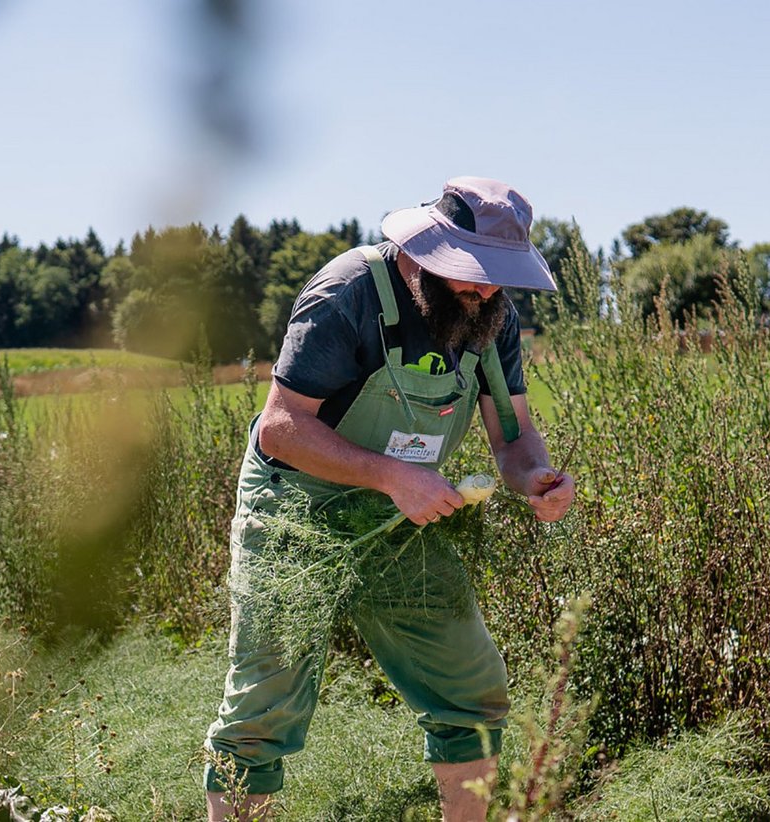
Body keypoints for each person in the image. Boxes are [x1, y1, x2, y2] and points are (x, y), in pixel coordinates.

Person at [203, 177, 577, 821]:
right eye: (471, 273)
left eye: (496, 278)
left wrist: (537, 476)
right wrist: (389, 475)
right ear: (426, 249)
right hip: (296, 511)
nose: (483, 290)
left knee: (472, 693)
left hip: (405, 517)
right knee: (264, 709)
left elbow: (512, 437)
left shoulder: (493, 318)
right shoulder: (349, 292)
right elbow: (281, 427)